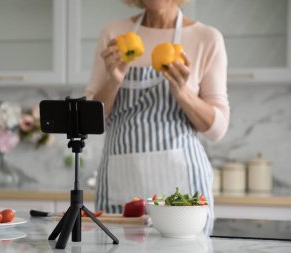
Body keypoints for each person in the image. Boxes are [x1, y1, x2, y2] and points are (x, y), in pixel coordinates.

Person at [85, 0, 229, 233]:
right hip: (121, 182)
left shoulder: (206, 38)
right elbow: (90, 122)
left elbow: (217, 129)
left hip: (182, 188)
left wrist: (183, 93)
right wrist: (114, 80)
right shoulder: (113, 34)